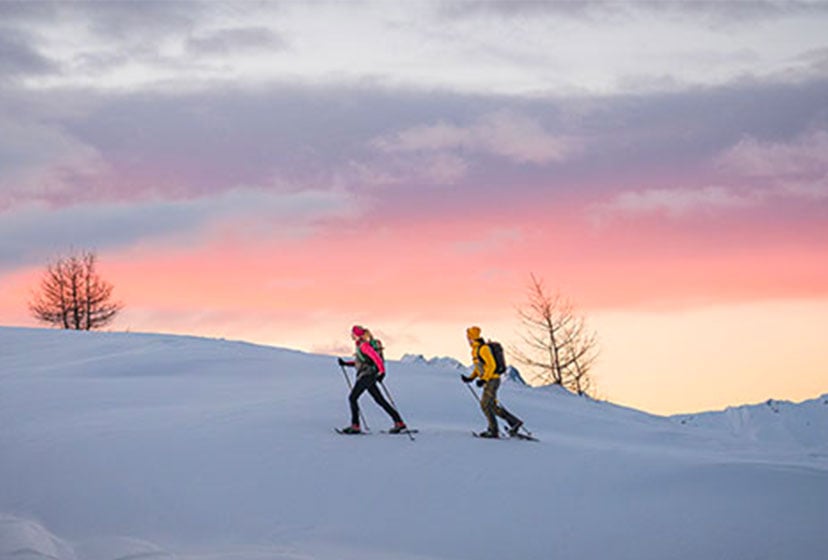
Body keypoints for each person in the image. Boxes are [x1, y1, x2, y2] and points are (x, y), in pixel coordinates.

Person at [337, 325, 407, 434]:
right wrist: (346, 364)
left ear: (356, 335)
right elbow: (361, 363)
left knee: (352, 398)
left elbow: (376, 358)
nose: (352, 336)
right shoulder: (361, 346)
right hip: (369, 375)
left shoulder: (364, 346)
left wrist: (382, 372)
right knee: (380, 400)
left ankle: (355, 426)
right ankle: (399, 422)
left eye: (353, 334)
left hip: (367, 375)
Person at [461, 325, 523, 438]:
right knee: (492, 406)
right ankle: (514, 422)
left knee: (485, 405)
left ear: (473, 337)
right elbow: (479, 366)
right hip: (489, 380)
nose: (467, 340)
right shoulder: (476, 350)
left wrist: (484, 379)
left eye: (468, 337)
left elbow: (492, 365)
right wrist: (471, 378)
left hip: (492, 380)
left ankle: (493, 431)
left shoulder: (483, 349)